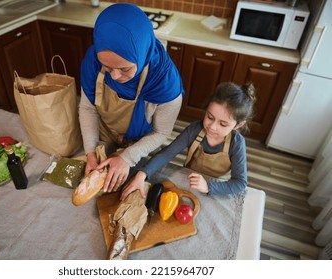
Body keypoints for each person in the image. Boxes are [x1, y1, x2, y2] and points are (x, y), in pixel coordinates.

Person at [79, 3, 184, 193]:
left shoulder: (166, 82)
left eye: (124, 68)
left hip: (139, 145)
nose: (115, 77)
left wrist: (128, 157)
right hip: (104, 134)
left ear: (142, 52)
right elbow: (88, 108)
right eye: (107, 68)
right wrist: (91, 152)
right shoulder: (92, 61)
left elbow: (160, 133)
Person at [121, 82, 256, 200]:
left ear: (238, 125)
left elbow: (239, 183)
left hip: (215, 186)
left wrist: (208, 187)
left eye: (223, 124)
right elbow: (166, 154)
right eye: (210, 117)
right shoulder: (195, 129)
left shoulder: (237, 144)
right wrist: (142, 174)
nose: (212, 127)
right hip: (189, 178)